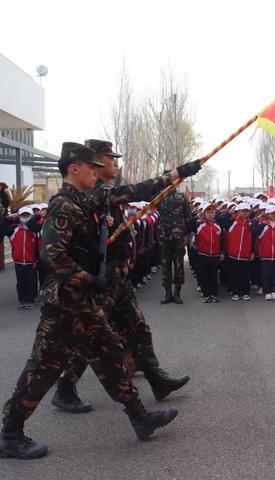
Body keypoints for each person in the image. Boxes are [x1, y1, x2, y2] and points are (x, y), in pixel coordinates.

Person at [0, 143, 178, 460]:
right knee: (41, 369)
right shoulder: (64, 205)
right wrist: (92, 279)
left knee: (110, 354)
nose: (95, 172)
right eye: (90, 167)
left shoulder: (82, 203)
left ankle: (139, 417)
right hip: (66, 305)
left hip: (84, 303)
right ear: (74, 168)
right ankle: (10, 433)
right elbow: (53, 256)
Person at [50, 139, 198, 413]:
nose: (115, 164)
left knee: (138, 328)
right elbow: (138, 190)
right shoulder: (95, 192)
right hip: (102, 279)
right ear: (95, 161)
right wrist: (177, 173)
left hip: (118, 277)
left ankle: (156, 379)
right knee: (92, 337)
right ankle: (65, 387)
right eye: (111, 159)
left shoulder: (104, 191)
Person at [157, 178, 192, 304]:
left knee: (178, 265)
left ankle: (177, 293)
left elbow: (188, 217)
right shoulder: (159, 197)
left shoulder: (182, 197)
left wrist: (187, 234)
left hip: (178, 236)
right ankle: (167, 293)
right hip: (164, 236)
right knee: (165, 265)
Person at [0, 206, 42, 309]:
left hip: (30, 261)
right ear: (19, 216)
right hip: (18, 262)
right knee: (20, 283)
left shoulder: (34, 230)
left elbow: (37, 247)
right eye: (23, 215)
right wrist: (9, 217)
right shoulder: (14, 230)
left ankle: (29, 301)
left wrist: (36, 260)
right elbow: (1, 225)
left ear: (31, 217)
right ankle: (22, 301)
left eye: (27, 215)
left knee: (30, 282)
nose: (25, 217)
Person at [252, 205, 275, 301]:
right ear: (267, 214)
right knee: (266, 275)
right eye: (272, 213)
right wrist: (260, 218)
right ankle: (267, 291)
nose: (274, 215)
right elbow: (253, 231)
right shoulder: (262, 226)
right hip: (265, 256)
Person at [190, 203, 224, 303]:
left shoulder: (218, 226)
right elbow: (191, 232)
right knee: (204, 275)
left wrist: (222, 252)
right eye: (208, 212)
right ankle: (206, 294)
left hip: (215, 255)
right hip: (202, 255)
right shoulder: (199, 225)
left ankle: (214, 295)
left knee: (214, 276)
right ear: (204, 213)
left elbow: (222, 241)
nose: (210, 214)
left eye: (212, 213)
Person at [224, 202, 254, 301]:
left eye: (246, 211)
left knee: (245, 275)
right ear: (239, 212)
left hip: (246, 254)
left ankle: (245, 293)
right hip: (233, 254)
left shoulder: (251, 224)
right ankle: (235, 292)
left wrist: (252, 252)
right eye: (242, 211)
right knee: (234, 274)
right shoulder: (232, 222)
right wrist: (230, 212)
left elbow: (254, 239)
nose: (245, 213)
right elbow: (222, 220)